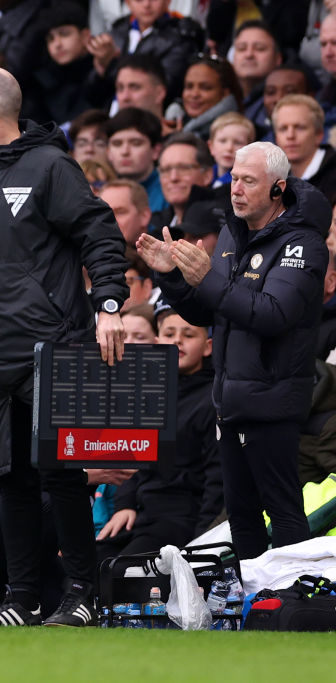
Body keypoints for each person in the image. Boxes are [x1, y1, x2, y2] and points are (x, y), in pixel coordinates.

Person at [0, 67, 128, 627]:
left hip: (53, 346)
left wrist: (108, 306)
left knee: (61, 475)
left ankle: (83, 593)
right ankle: (24, 595)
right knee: (10, 476)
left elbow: (100, 235)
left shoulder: (51, 166)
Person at [137, 141, 328, 560]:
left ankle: (291, 603)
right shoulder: (231, 234)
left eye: (248, 181)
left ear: (278, 189)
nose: (236, 189)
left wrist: (207, 278)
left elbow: (273, 314)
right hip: (230, 400)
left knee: (283, 511)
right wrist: (170, 277)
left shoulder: (303, 244)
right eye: (234, 179)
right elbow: (209, 309)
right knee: (240, 515)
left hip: (272, 401)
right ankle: (252, 609)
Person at [97, 304, 222, 559]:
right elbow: (130, 457)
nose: (177, 340)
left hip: (181, 518)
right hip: (140, 514)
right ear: (157, 342)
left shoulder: (213, 399)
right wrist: (125, 505)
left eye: (188, 335)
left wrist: (200, 547)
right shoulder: (148, 394)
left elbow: (217, 480)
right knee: (77, 568)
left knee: (118, 575)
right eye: (169, 334)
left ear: (208, 346)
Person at [272, 94, 336, 203]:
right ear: (276, 138)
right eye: (283, 129)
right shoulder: (273, 179)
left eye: (300, 127)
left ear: (319, 135)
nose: (290, 135)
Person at [106, 107, 166, 212]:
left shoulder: (170, 191)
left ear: (156, 151)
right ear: (108, 152)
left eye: (136, 143)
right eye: (117, 144)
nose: (125, 151)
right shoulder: (99, 194)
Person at [207, 112, 255, 188]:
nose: (229, 148)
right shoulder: (204, 176)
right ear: (211, 147)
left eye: (237, 142)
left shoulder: (245, 184)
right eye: (223, 141)